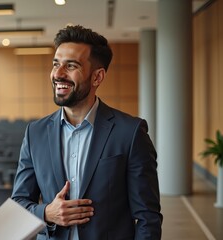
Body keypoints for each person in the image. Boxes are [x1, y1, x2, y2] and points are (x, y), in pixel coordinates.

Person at [11, 25, 163, 240]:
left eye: (71, 66)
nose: (58, 74)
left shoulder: (130, 132)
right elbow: (18, 205)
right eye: (56, 64)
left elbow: (148, 217)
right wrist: (46, 213)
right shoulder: (35, 133)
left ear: (97, 77)